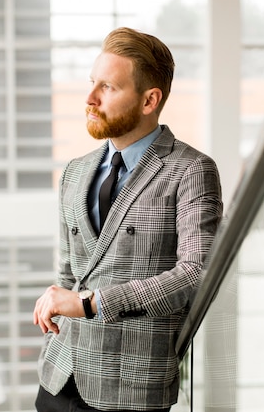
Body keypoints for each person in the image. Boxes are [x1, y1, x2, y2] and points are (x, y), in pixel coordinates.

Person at [32, 27, 223, 412]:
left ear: (150, 99)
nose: (89, 98)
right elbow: (71, 274)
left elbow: (196, 273)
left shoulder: (192, 171)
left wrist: (89, 304)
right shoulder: (74, 171)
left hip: (130, 391)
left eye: (108, 87)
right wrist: (61, 300)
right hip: (58, 377)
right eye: (91, 83)